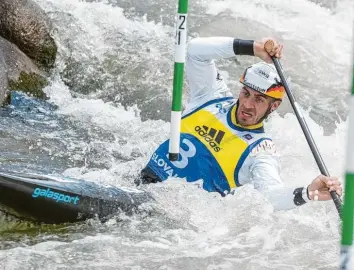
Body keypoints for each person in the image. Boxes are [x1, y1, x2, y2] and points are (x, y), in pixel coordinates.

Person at [138, 36, 342, 210]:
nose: (247, 104)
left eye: (259, 100)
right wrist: (253, 47)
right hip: (141, 181)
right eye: (246, 93)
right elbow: (194, 50)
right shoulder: (210, 97)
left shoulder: (260, 151)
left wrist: (307, 193)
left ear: (274, 107)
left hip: (166, 211)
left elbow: (271, 197)